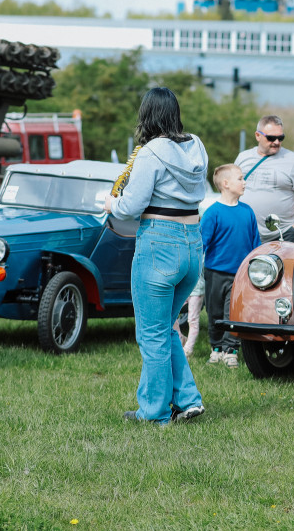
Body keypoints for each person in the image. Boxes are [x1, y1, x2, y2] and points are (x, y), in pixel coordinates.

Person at [104, 87, 207, 425]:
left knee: (151, 333)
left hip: (159, 244)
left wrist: (111, 205)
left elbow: (131, 206)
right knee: (163, 328)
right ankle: (189, 400)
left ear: (147, 114)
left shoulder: (150, 152)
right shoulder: (197, 145)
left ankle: (154, 412)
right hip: (192, 244)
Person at [200, 163, 261, 368]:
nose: (244, 182)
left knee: (232, 314)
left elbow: (256, 245)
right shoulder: (213, 213)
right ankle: (216, 348)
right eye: (240, 179)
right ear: (225, 184)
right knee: (215, 313)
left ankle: (231, 350)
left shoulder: (248, 212)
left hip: (240, 275)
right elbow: (201, 243)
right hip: (215, 273)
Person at [234, 115, 294, 243]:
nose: (276, 142)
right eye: (271, 138)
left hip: (282, 236)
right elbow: (231, 191)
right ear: (257, 136)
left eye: (280, 138)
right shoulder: (243, 158)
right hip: (245, 233)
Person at [173, 276, 204, 357]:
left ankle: (188, 349)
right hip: (182, 289)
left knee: (193, 320)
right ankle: (180, 338)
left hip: (197, 291)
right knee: (171, 315)